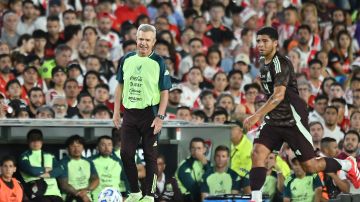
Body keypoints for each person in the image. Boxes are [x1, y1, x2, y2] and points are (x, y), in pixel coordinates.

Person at [243, 27, 360, 202]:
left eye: (265, 40)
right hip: (274, 119)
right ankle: (256, 198)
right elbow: (272, 97)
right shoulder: (263, 63)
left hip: (292, 118)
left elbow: (278, 96)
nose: (260, 44)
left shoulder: (280, 63)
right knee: (257, 152)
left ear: (275, 43)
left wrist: (256, 115)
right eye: (258, 40)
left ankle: (347, 164)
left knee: (310, 166)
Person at [112, 24, 171, 202]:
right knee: (126, 153)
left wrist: (160, 117)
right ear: (136, 39)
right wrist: (116, 112)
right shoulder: (127, 59)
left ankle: (149, 195)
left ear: (153, 42)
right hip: (129, 114)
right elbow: (120, 86)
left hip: (149, 115)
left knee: (150, 156)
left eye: (147, 40)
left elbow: (164, 92)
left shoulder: (158, 62)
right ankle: (135, 192)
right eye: (140, 39)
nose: (143, 43)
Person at [19, 129, 63, 201]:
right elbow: (31, 170)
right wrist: (47, 169)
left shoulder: (50, 155)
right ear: (28, 141)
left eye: (38, 139)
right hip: (38, 195)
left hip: (55, 193)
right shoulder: (24, 156)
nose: (36, 142)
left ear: (42, 141)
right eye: (32, 140)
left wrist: (44, 175)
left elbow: (59, 169)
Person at [59, 135, 99, 202]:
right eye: (73, 146)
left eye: (79, 146)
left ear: (83, 148)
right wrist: (80, 194)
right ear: (67, 149)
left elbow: (96, 179)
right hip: (69, 198)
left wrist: (87, 190)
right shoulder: (63, 163)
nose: (76, 149)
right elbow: (64, 185)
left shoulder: (89, 162)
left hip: (87, 197)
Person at [90, 135, 129, 201]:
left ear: (112, 147)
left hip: (114, 199)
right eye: (103, 145)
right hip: (96, 198)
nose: (106, 147)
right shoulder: (90, 161)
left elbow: (126, 180)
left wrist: (127, 196)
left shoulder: (118, 162)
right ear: (97, 147)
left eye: (109, 144)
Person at [175, 137, 211, 202]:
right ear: (189, 149)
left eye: (199, 148)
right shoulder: (184, 165)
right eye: (193, 148)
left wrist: (205, 165)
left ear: (204, 150)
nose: (196, 151)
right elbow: (194, 189)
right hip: (186, 198)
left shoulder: (209, 164)